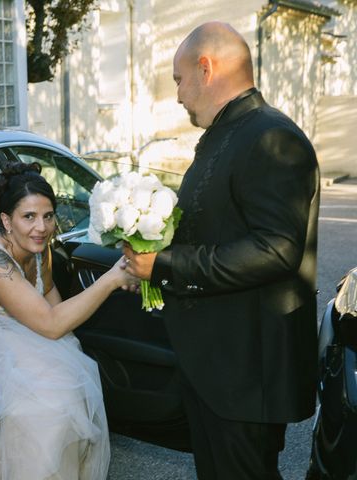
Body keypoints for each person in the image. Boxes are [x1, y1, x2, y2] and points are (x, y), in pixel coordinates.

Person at [122, 22, 320, 479]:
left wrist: (165, 266)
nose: (177, 94)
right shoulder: (229, 132)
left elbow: (276, 249)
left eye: (178, 79)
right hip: (219, 372)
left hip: (246, 375)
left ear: (205, 68)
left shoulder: (271, 137)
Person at [0, 162, 137, 480]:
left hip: (23, 341)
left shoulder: (38, 248)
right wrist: (112, 279)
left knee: (76, 383)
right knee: (50, 407)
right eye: (29, 217)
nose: (42, 227)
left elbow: (50, 298)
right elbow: (50, 323)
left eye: (48, 216)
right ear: (6, 220)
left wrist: (67, 356)